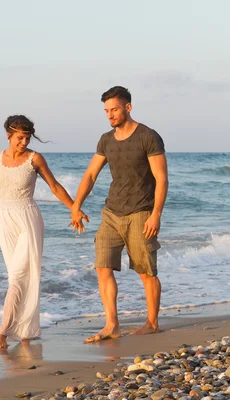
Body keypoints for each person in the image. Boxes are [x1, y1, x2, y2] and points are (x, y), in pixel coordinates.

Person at [0, 115, 88, 350]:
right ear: (9, 135)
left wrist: (75, 209)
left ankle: (3, 332)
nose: (24, 142)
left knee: (20, 276)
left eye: (27, 137)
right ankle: (25, 331)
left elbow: (55, 186)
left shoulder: (35, 159)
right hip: (4, 219)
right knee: (16, 276)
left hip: (28, 217)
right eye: (19, 137)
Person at [70, 86, 169, 343]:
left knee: (146, 271)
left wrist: (156, 214)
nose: (110, 115)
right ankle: (112, 325)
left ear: (128, 107)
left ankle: (152, 323)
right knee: (103, 267)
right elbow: (91, 174)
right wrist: (76, 205)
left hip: (140, 212)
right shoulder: (106, 140)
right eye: (106, 111)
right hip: (111, 213)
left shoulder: (148, 136)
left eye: (114, 109)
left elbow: (161, 177)